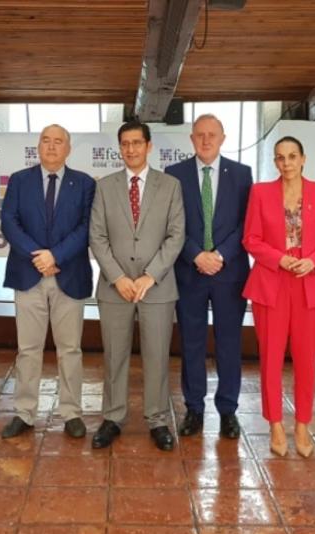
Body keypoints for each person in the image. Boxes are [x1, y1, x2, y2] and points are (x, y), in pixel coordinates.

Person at [88, 120, 185, 452]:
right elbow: (97, 237)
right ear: (120, 148)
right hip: (115, 287)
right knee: (114, 356)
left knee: (157, 356)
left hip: (156, 287)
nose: (131, 149)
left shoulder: (170, 186)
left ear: (149, 146)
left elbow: (176, 236)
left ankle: (157, 419)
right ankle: (113, 417)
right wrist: (118, 277)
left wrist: (149, 276)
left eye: (136, 143)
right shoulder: (105, 187)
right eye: (125, 144)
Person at [243, 136, 315, 458]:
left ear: (303, 158)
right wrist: (278, 258)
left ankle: (302, 424)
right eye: (280, 158)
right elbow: (251, 239)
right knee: (270, 357)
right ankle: (275, 424)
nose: (287, 163)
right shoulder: (260, 192)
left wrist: (313, 260)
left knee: (306, 358)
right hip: (271, 280)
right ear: (275, 161)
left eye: (292, 156)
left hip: (309, 281)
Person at [0, 125, 96, 439]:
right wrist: (37, 256)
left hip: (69, 274)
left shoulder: (84, 183)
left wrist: (55, 256)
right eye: (46, 141)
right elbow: (9, 222)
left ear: (68, 149)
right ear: (37, 146)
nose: (52, 147)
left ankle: (71, 412)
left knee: (70, 349)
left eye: (58, 142)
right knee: (28, 349)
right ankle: (25, 413)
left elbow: (86, 227)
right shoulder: (19, 180)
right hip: (28, 275)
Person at [165, 114, 252, 439]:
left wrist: (220, 255)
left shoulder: (242, 174)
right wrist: (195, 255)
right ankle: (194, 409)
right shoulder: (175, 175)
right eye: (200, 135)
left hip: (229, 273)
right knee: (192, 343)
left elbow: (247, 223)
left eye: (212, 135)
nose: (206, 140)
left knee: (229, 343)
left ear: (222, 138)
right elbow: (171, 224)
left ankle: (228, 410)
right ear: (191, 139)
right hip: (189, 271)